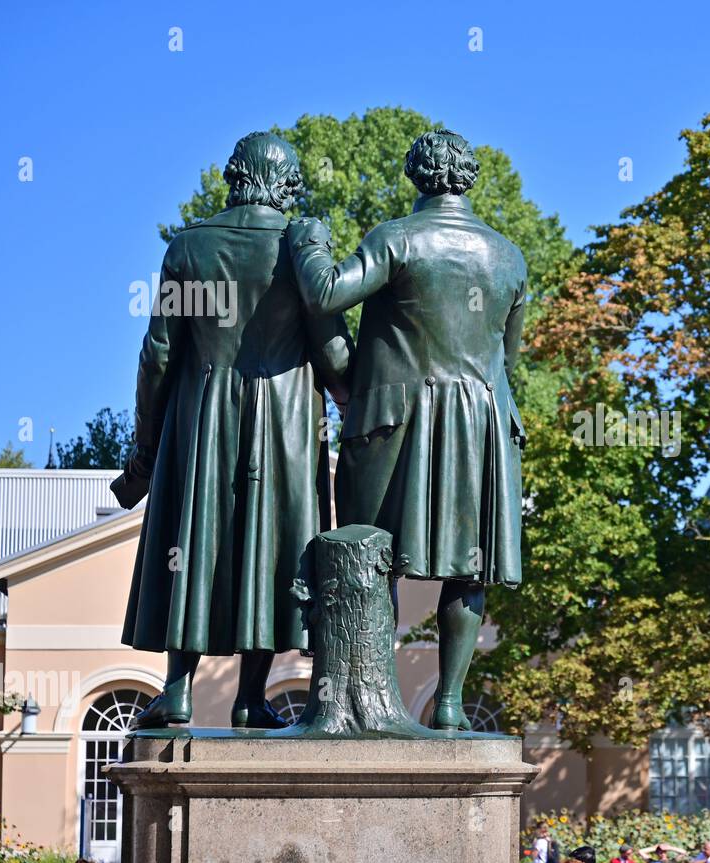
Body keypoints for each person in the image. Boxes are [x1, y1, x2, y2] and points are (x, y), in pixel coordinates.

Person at [288, 128, 527, 730]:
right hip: (481, 425)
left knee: (371, 556)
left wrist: (309, 241)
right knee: (470, 570)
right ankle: (448, 703)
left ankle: (380, 699)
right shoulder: (509, 256)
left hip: (394, 423)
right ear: (468, 176)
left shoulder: (397, 238)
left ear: (417, 176)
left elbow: (323, 295)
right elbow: (510, 358)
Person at [117, 131, 353, 729]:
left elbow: (158, 356)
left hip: (202, 414)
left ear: (233, 177)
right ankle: (252, 697)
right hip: (288, 423)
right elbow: (334, 355)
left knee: (191, 542)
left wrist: (146, 448)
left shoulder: (189, 248)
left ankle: (177, 688)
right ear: (286, 185)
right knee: (274, 548)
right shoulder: (301, 248)